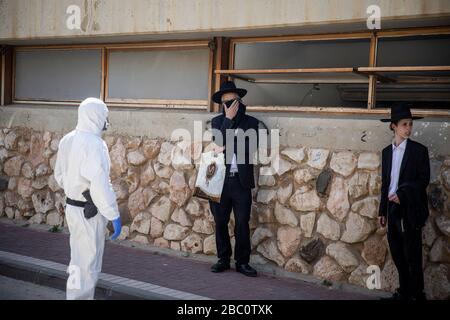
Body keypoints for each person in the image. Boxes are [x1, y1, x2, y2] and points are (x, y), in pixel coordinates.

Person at [54, 97, 122, 300]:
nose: (106, 122)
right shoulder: (95, 144)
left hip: (73, 209)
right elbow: (100, 185)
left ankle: (72, 296)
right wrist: (113, 214)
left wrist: (75, 189)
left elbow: (59, 176)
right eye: (104, 116)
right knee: (88, 265)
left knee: (77, 260)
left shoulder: (67, 139)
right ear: (96, 116)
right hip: (89, 213)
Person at [379, 102, 430, 300]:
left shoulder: (419, 151)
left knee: (413, 255)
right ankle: (404, 292)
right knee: (398, 253)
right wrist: (382, 211)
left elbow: (423, 180)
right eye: (404, 124)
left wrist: (404, 194)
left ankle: (417, 295)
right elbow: (385, 184)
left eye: (410, 124)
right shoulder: (386, 152)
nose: (408, 128)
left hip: (410, 208)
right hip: (392, 208)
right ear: (393, 126)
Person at [209, 81, 260, 277]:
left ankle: (242, 262)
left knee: (241, 223)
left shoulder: (251, 123)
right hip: (220, 183)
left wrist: (225, 144)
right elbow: (218, 144)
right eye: (224, 103)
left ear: (239, 102)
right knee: (220, 221)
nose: (227, 106)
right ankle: (223, 260)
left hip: (241, 182)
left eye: (231, 102)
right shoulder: (217, 122)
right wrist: (228, 121)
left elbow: (248, 150)